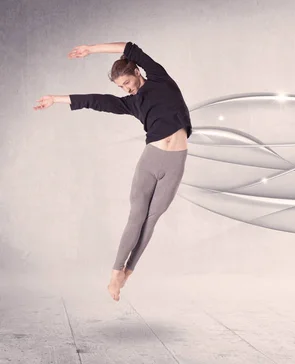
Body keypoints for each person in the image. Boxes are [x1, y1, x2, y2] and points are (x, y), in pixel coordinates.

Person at [34, 42, 192, 301]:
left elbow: (131, 47)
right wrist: (56, 99)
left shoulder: (160, 79)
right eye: (121, 88)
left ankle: (128, 271)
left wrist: (91, 49)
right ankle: (115, 273)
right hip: (151, 160)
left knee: (151, 220)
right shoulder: (132, 104)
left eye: (128, 82)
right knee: (136, 217)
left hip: (175, 161)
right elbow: (96, 101)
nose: (127, 89)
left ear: (138, 72)